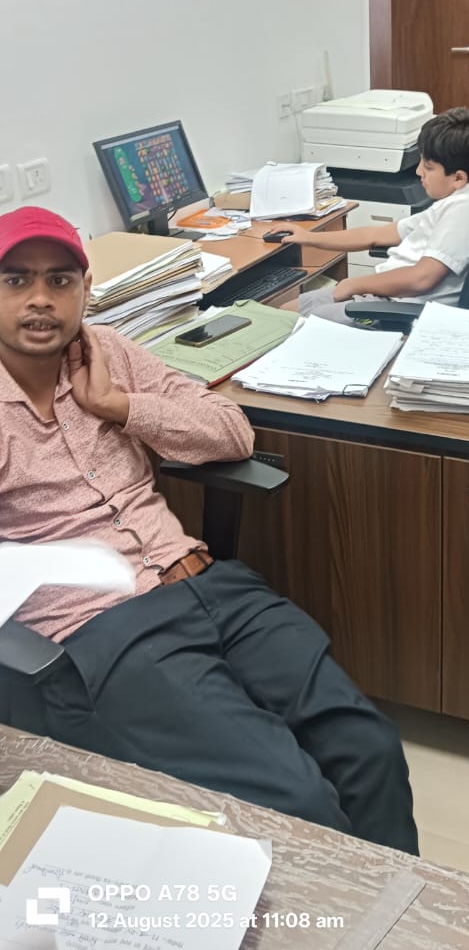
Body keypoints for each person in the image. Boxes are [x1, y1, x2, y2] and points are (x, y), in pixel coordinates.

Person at [0, 206, 418, 852]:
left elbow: (232, 433)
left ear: (85, 290)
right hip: (106, 627)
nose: (40, 299)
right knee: (298, 801)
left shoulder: (108, 352)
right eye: (15, 280)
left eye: (60, 280)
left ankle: (396, 904)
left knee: (370, 748)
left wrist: (118, 407)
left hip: (213, 587)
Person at [271, 106, 469, 324]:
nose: (418, 172)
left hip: (394, 307)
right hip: (382, 296)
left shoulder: (463, 211)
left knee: (292, 325)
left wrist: (355, 284)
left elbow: (422, 278)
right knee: (284, 313)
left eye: (428, 167)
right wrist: (308, 237)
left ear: (458, 178)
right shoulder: (456, 202)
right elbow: (374, 235)